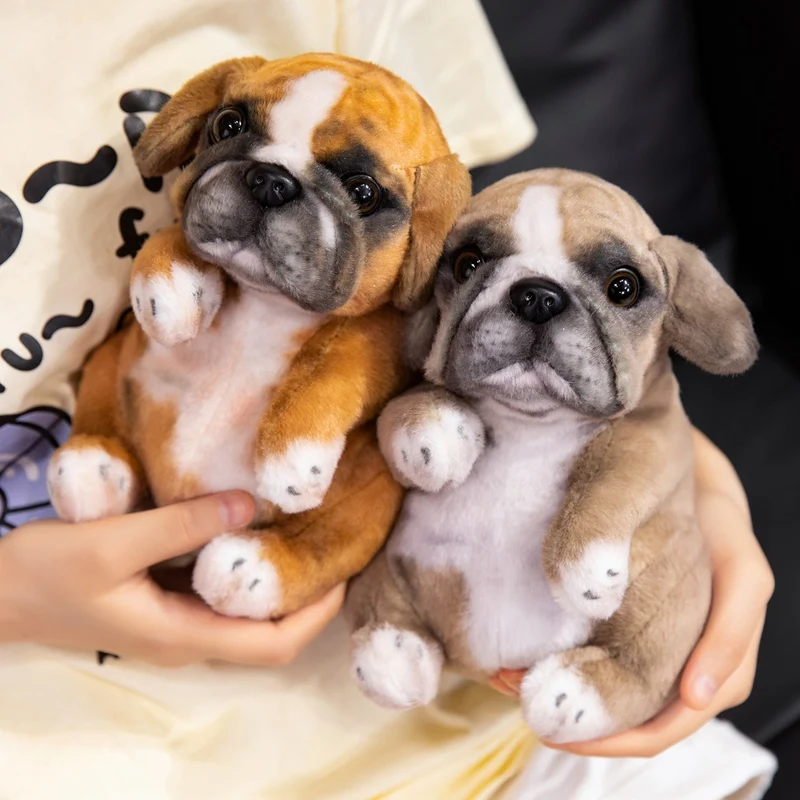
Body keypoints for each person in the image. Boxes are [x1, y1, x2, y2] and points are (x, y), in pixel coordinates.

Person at [0, 0, 774, 795]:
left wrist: (682, 475)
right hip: (65, 743)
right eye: (235, 136)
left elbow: (467, 261)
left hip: (488, 723)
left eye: (357, 190)